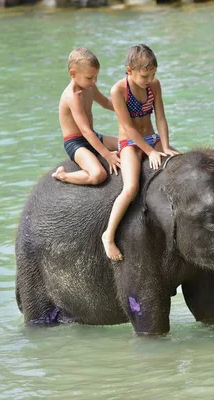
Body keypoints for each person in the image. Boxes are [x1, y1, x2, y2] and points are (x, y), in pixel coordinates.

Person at [102, 44, 178, 261]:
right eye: (145, 75)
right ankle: (108, 235)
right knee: (131, 187)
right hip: (130, 142)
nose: (149, 79)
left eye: (153, 74)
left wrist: (164, 145)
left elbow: (161, 117)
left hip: (153, 138)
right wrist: (148, 151)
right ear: (129, 70)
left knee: (179, 162)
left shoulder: (154, 85)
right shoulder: (118, 91)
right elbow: (128, 127)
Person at [52, 47, 121, 185]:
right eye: (90, 77)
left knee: (126, 145)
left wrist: (126, 108)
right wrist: (107, 155)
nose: (94, 81)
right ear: (73, 73)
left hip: (93, 136)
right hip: (76, 143)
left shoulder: (90, 87)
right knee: (98, 175)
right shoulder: (72, 97)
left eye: (96, 76)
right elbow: (85, 130)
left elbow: (106, 103)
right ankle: (63, 175)